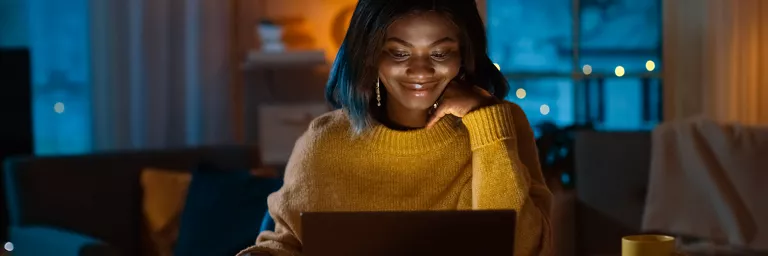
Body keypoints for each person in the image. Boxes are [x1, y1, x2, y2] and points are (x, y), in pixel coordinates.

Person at [238, 0, 553, 255]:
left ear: (464, 56)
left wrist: (484, 121)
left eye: (440, 52)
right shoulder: (324, 142)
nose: (420, 70)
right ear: (371, 56)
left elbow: (521, 248)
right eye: (399, 52)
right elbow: (286, 245)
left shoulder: (501, 123)